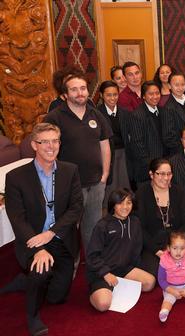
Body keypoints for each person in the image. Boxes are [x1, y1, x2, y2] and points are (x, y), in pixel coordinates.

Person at [5, 123, 83, 335]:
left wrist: (52, 232)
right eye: (44, 142)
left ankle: (25, 280)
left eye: (55, 141)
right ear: (34, 145)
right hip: (32, 240)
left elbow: (76, 208)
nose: (51, 146)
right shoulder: (16, 177)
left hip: (60, 238)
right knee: (41, 271)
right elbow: (17, 218)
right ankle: (32, 317)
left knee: (58, 298)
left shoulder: (70, 170)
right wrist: (38, 248)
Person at [44, 73, 112, 250]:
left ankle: (93, 264)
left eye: (82, 88)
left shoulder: (96, 114)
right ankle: (69, 266)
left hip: (96, 183)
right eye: (74, 89)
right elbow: (47, 151)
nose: (80, 93)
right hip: (70, 185)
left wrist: (104, 175)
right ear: (65, 94)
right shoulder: (54, 117)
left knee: (93, 226)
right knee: (68, 229)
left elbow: (104, 146)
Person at [86, 189, 155, 312]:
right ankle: (95, 292)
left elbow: (137, 249)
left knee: (149, 283)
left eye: (128, 203)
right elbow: (92, 255)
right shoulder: (102, 225)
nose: (125, 207)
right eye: (120, 203)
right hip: (103, 272)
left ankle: (118, 286)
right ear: (113, 205)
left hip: (124, 269)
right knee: (103, 305)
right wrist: (105, 273)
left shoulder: (135, 222)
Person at [136, 159, 185, 277]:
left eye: (169, 174)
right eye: (161, 174)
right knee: (155, 274)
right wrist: (156, 251)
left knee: (184, 271)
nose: (166, 178)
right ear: (151, 174)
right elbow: (140, 227)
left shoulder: (179, 192)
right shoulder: (142, 193)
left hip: (176, 243)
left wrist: (174, 247)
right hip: (152, 244)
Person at [97, 80, 131, 207]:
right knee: (109, 191)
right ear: (101, 95)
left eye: (115, 94)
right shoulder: (96, 113)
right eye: (108, 95)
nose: (112, 98)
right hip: (105, 156)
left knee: (123, 187)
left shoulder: (125, 113)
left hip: (123, 156)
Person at [127, 80, 166, 184]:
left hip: (164, 165)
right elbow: (137, 144)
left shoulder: (163, 111)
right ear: (143, 96)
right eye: (151, 94)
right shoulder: (137, 115)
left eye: (157, 93)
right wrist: (152, 166)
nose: (155, 96)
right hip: (147, 169)